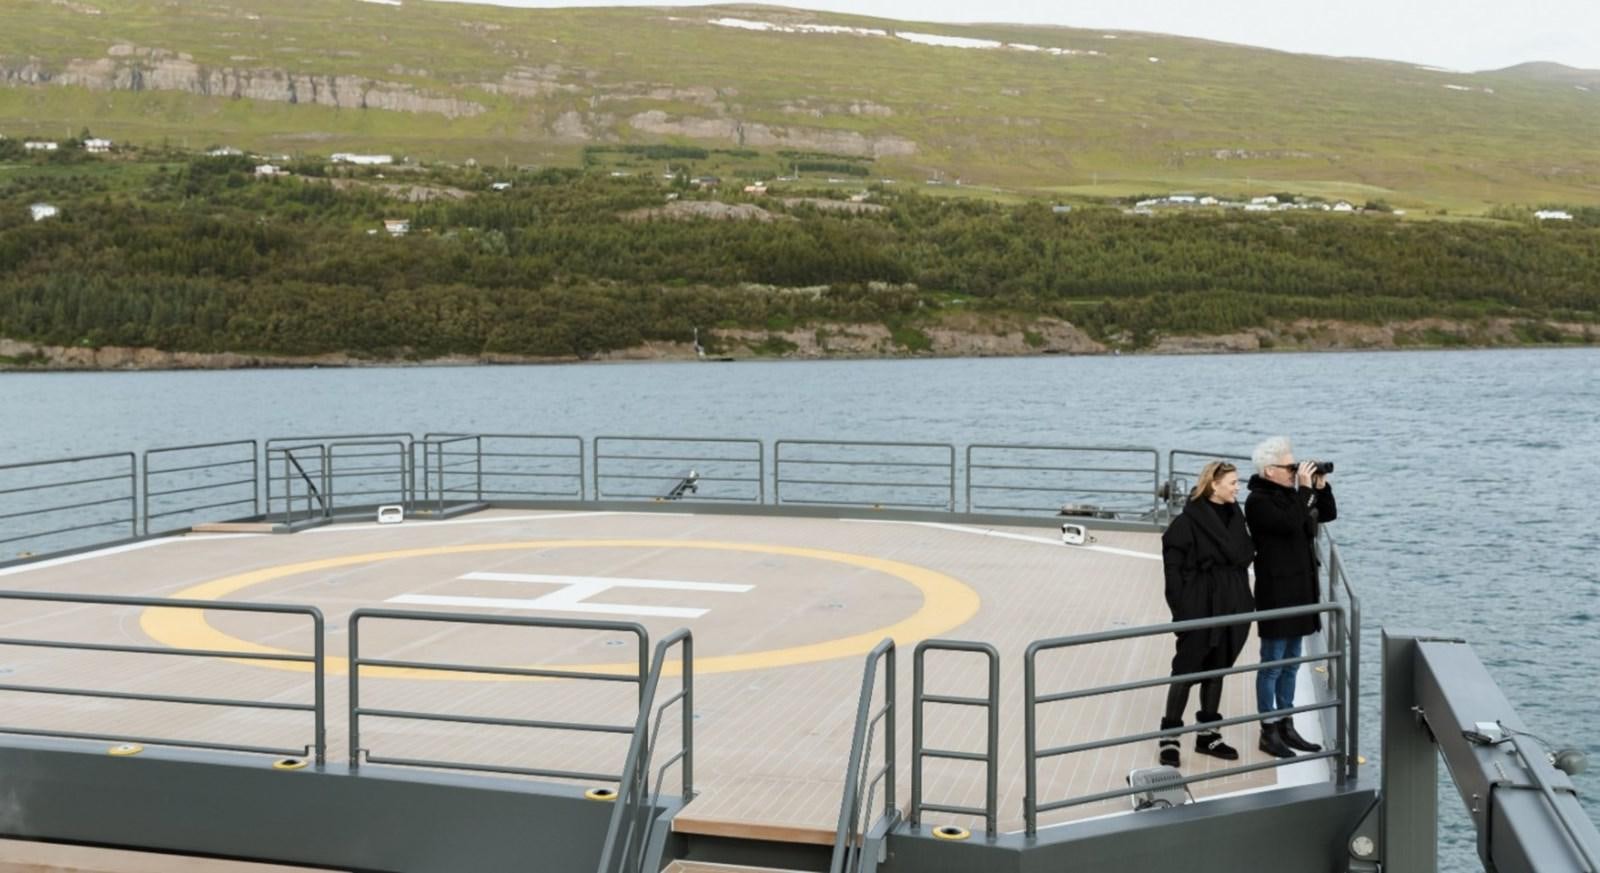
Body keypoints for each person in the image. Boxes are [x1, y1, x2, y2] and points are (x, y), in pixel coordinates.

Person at [1156, 461, 1256, 766]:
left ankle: (1208, 735)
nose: (1238, 488)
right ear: (1214, 484)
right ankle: (1169, 738)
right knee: (1186, 671)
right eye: (1233, 482)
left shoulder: (1235, 514)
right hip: (1200, 604)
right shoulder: (1186, 523)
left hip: (1233, 601)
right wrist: (1183, 611)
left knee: (1217, 668)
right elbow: (1172, 572)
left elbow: (1245, 553)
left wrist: (1243, 602)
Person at [1246, 436, 1336, 759]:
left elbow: (1327, 515)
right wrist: (1305, 491)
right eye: (1289, 467)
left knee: (1292, 662)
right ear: (1269, 470)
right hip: (1277, 592)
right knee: (1273, 663)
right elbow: (1288, 523)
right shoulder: (1258, 501)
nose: (1294, 471)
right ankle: (1268, 730)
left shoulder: (1292, 495)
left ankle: (1287, 723)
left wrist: (1320, 487)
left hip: (1300, 590)